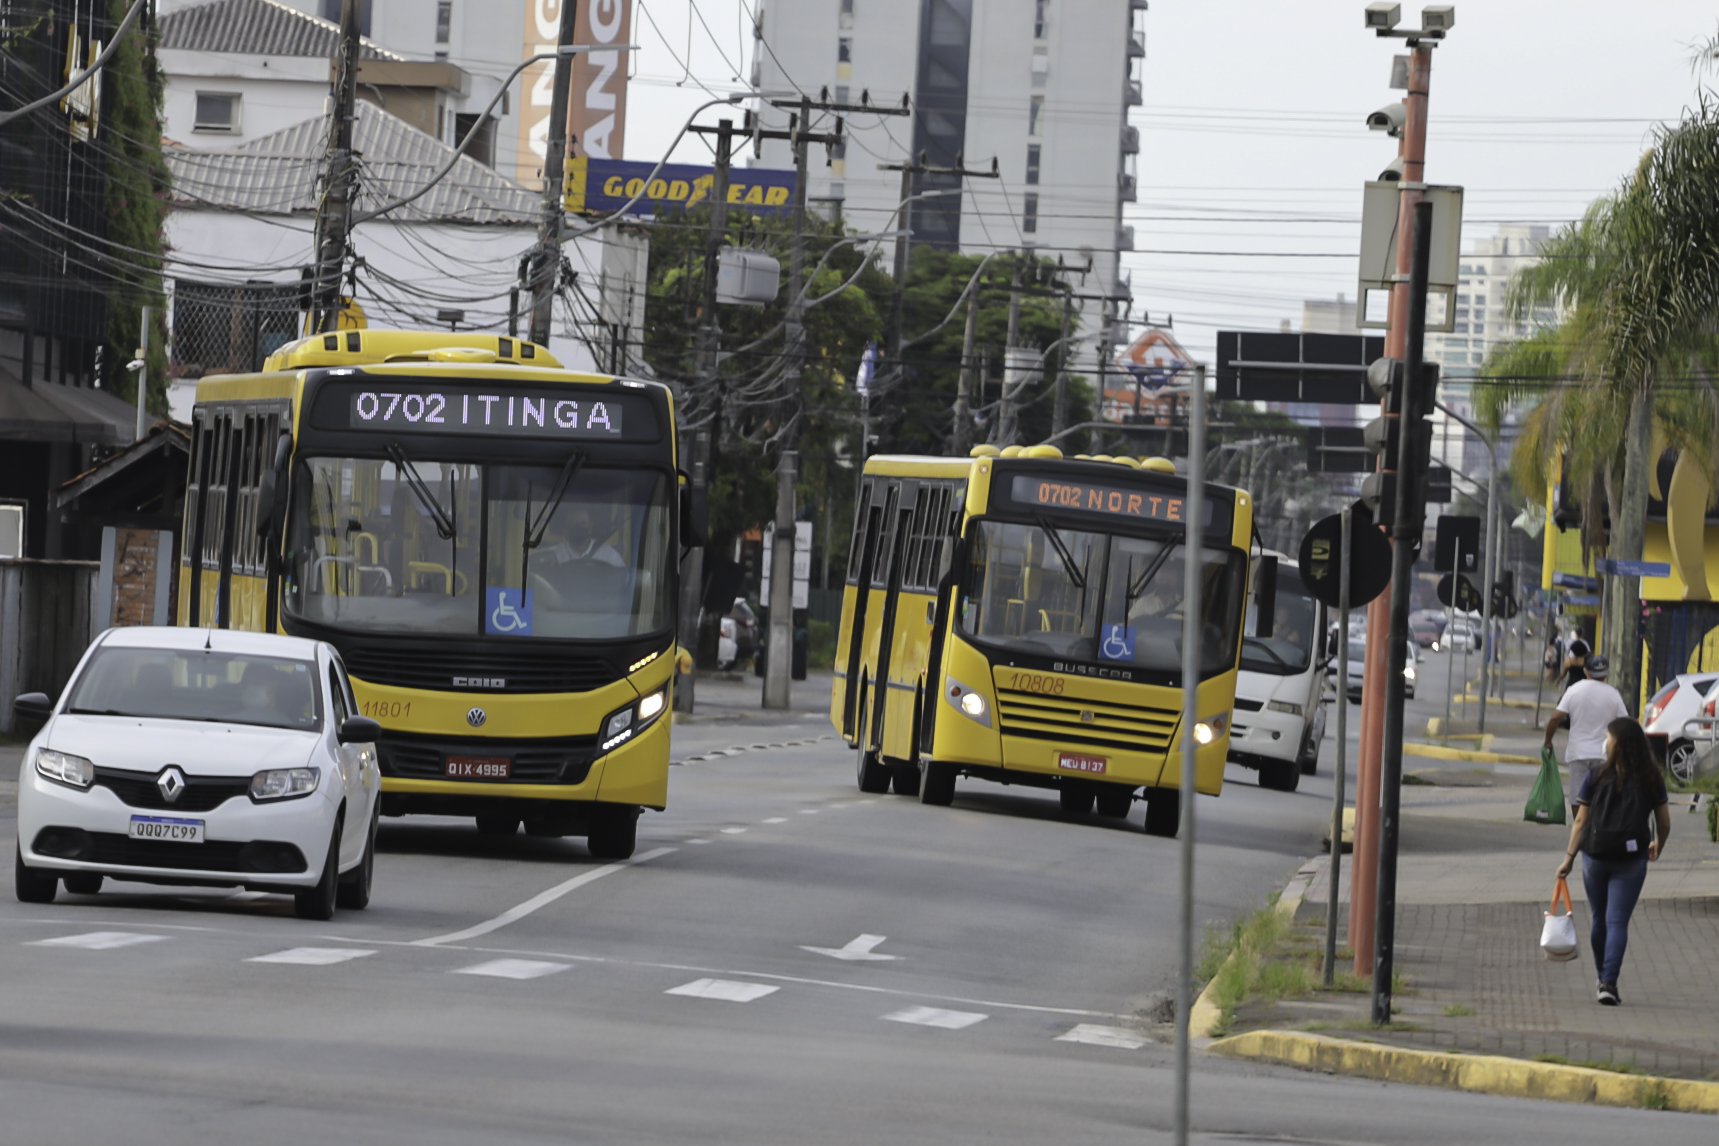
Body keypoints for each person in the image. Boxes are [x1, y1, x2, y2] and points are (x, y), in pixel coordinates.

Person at [1555, 717, 1671, 1006]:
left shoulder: (1595, 775)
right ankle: (1609, 981)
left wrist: (1569, 858)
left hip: (1595, 856)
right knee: (1617, 921)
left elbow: (1581, 821)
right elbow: (1664, 822)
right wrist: (1659, 844)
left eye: (1607, 737)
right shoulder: (1651, 778)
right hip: (1632, 859)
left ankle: (1601, 978)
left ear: (1616, 743)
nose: (1604, 742)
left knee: (1599, 920)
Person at [1543, 653, 1627, 816]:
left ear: (1586, 671)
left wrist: (1548, 741)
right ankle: (1597, 828)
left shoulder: (1574, 690)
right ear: (1606, 674)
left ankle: (1580, 829)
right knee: (1603, 796)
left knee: (1577, 798)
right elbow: (1625, 723)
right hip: (1605, 755)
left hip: (1578, 753)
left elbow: (1555, 717)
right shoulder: (1613, 694)